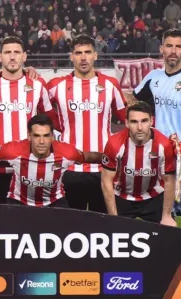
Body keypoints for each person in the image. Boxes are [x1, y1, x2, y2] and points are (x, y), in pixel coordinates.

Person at [0, 36, 55, 204]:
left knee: (30, 224)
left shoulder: (37, 84)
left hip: (30, 168)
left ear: (24, 56)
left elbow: (51, 121)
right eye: (7, 52)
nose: (12, 57)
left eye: (16, 52)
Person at [47, 34, 127, 213]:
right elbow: (39, 106)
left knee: (103, 225)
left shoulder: (110, 84)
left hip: (104, 168)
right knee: (72, 225)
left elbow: (127, 119)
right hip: (70, 169)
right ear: (71, 56)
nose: (83, 57)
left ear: (95, 55)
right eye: (78, 53)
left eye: (88, 52)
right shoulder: (56, 85)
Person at [127, 29, 181, 218]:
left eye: (178, 46)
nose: (173, 51)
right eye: (169, 46)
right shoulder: (153, 77)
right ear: (161, 49)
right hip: (158, 158)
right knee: (161, 215)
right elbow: (134, 101)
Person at [0, 114, 101, 207]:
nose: (41, 141)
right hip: (19, 202)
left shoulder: (67, 153)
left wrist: (110, 160)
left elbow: (89, 157)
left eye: (46, 136)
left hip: (54, 202)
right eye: (36, 136)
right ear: (29, 136)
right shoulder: (14, 150)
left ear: (52, 137)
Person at [101, 102, 177, 226]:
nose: (140, 127)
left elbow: (169, 180)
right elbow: (106, 181)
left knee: (170, 234)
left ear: (152, 121)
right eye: (134, 122)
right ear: (126, 123)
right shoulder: (115, 144)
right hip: (122, 196)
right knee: (111, 235)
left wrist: (166, 216)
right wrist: (113, 217)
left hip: (153, 196)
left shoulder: (164, 144)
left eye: (144, 121)